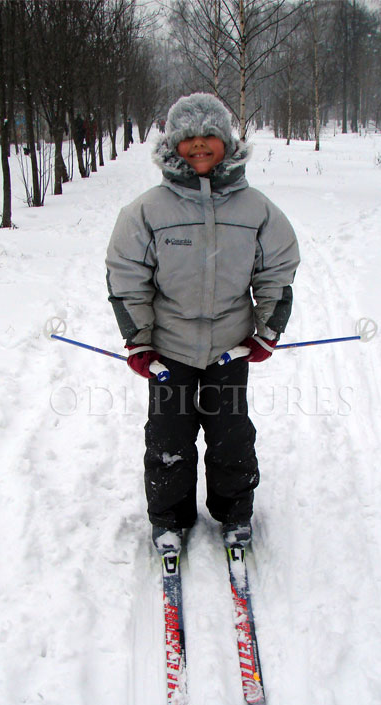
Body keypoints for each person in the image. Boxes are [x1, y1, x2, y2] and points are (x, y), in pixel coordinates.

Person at [106, 93, 299, 554]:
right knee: (168, 436)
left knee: (231, 434)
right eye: (187, 137)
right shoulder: (147, 211)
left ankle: (235, 513)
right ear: (173, 145)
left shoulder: (256, 210)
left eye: (208, 135)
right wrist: (139, 340)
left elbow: (277, 269)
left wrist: (267, 331)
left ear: (226, 141)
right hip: (170, 348)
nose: (198, 145)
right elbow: (127, 275)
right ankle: (168, 517)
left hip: (229, 346)